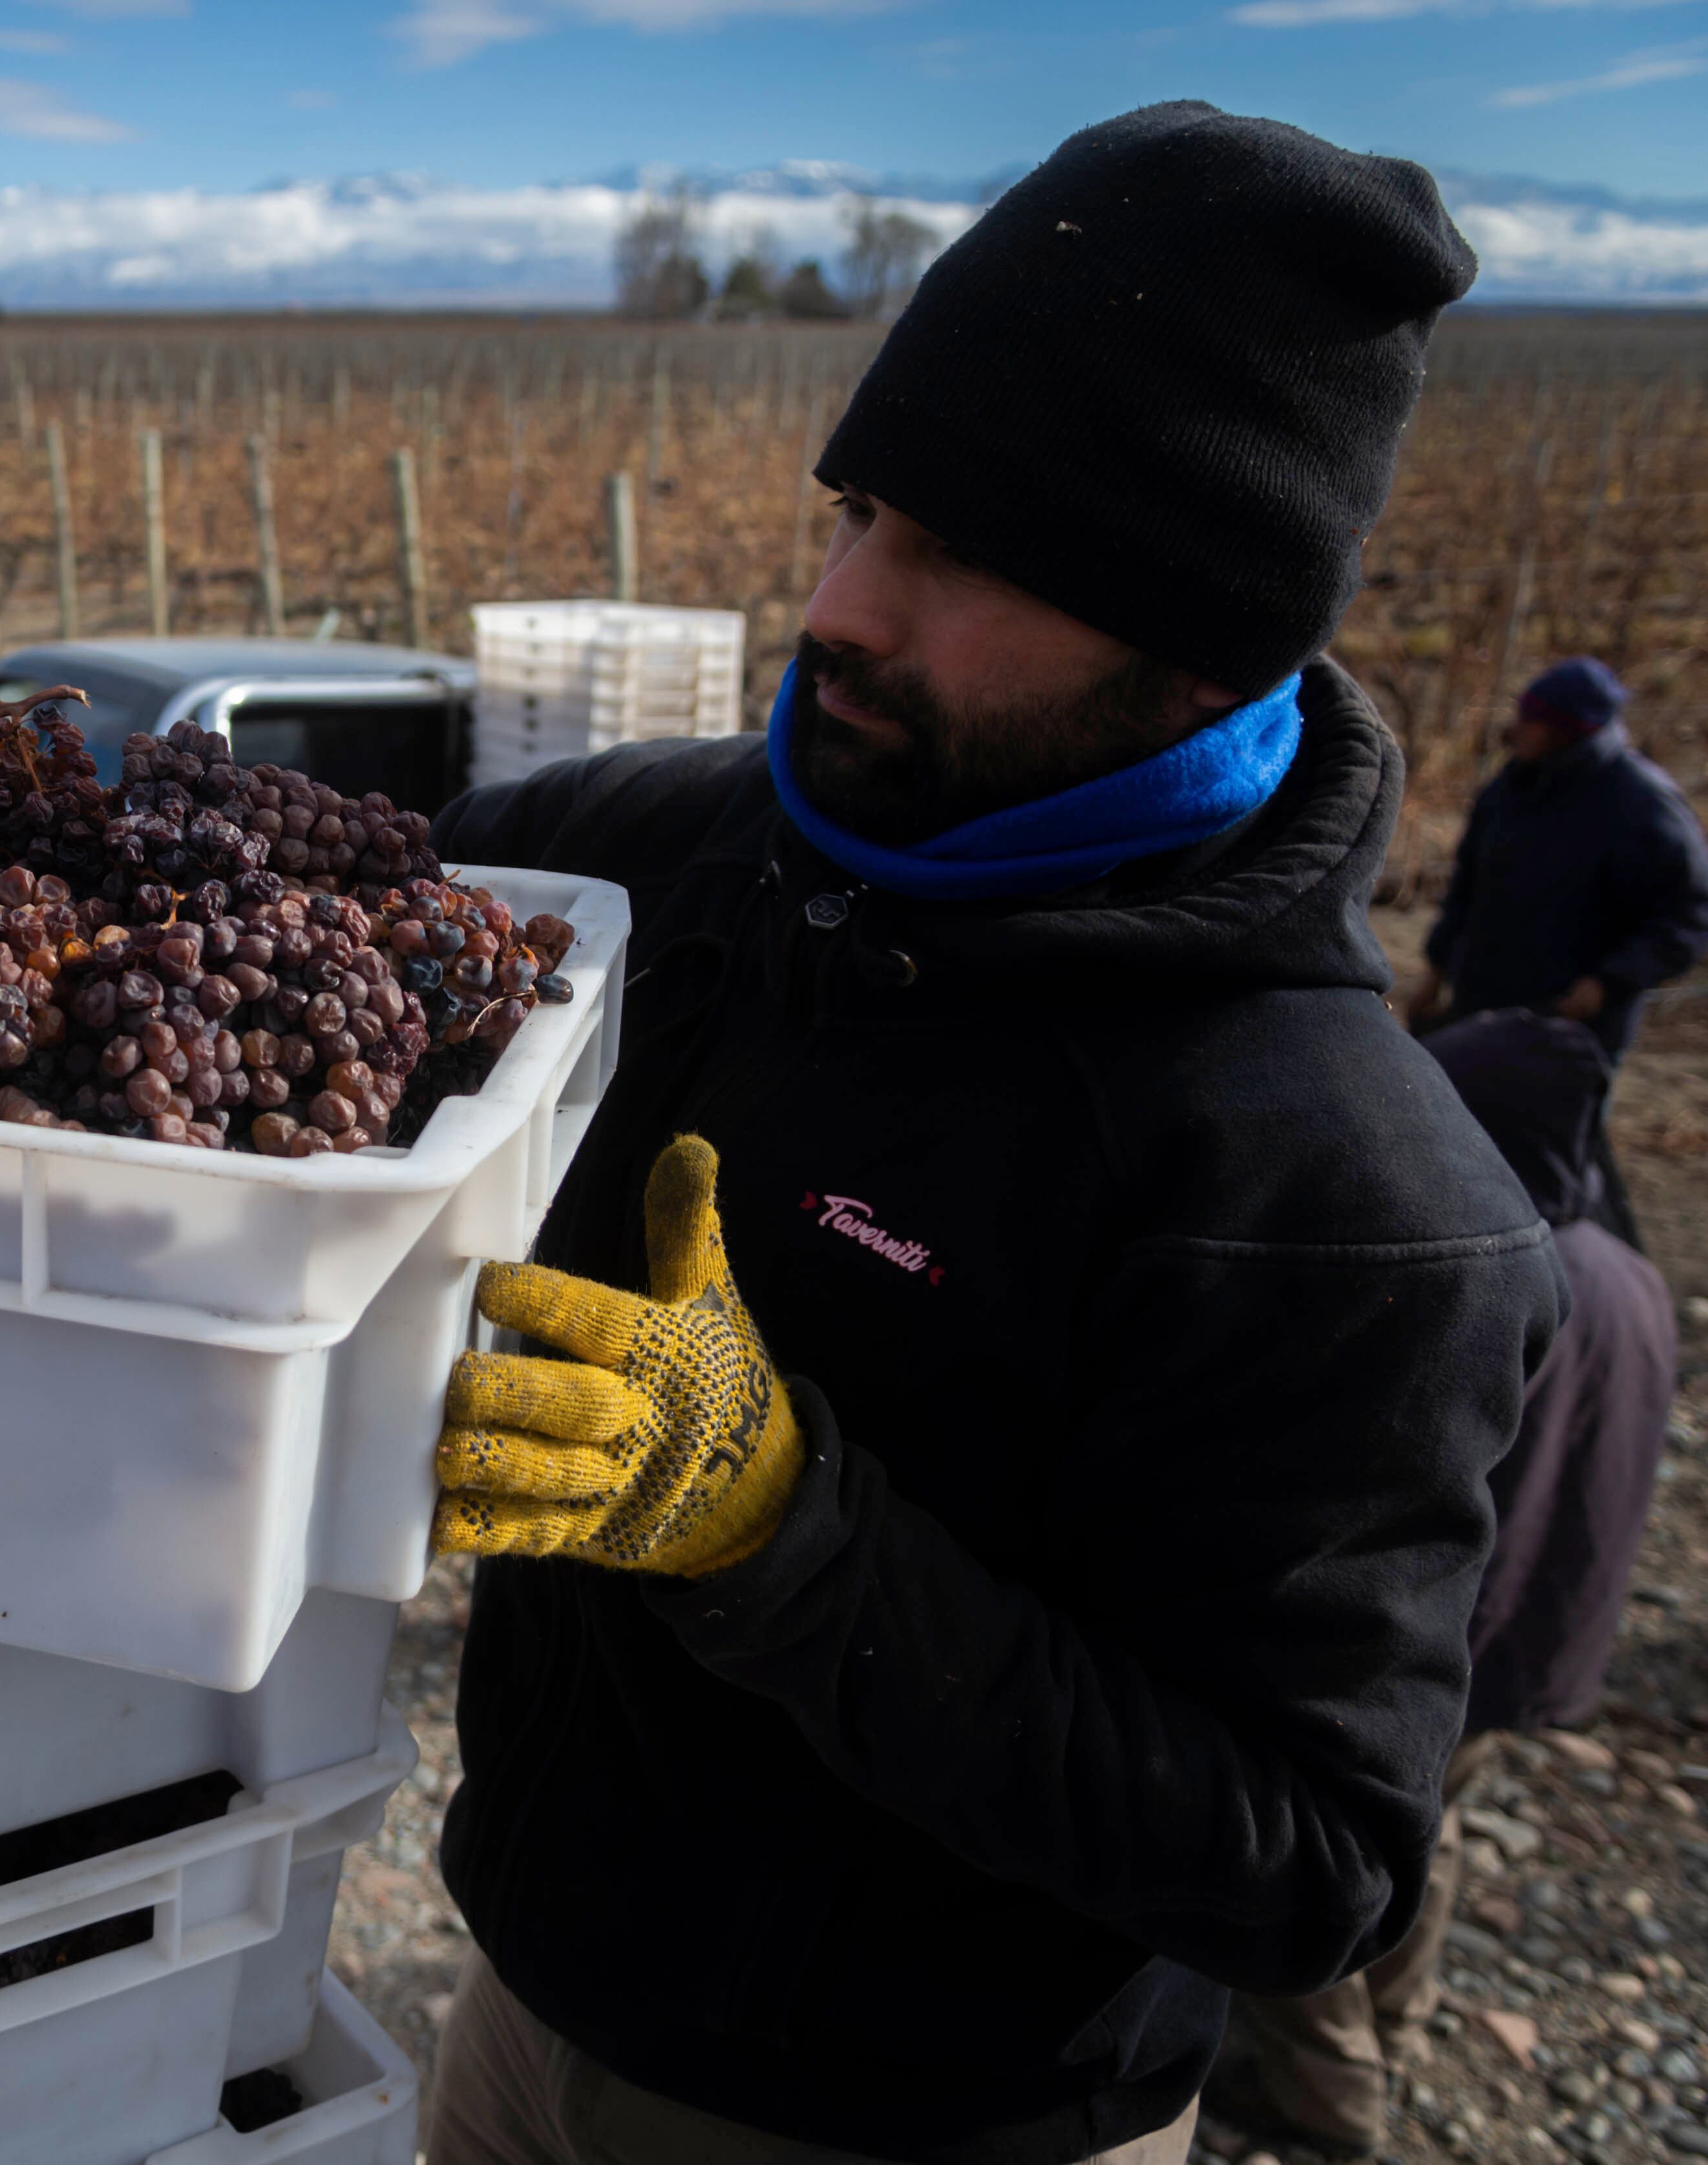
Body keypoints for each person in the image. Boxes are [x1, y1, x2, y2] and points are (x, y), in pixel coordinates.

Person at [416, 103, 1563, 2165]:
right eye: (859, 509)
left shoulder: (1343, 1201)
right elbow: (298, 931)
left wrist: (774, 1529)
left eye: (962, 555)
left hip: (918, 2129)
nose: (842, 604)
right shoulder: (669, 857)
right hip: (515, 2008)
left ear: (1195, 636)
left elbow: (1306, 1861)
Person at [1215, 1010, 1678, 2157]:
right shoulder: (1629, 1272)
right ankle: (1401, 2026)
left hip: (1454, 1640)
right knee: (1436, 1839)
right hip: (1545, 1637)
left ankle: (1333, 2097)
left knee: (1304, 1861)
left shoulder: (1492, 1263)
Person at [1411, 659, 1708, 1065]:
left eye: (1530, 720)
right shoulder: (1512, 787)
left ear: (1565, 730)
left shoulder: (1643, 806)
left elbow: (1689, 914)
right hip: (1479, 1006)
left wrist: (1609, 982)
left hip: (1570, 1030)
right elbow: (1469, 883)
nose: (1515, 729)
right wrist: (1437, 966)